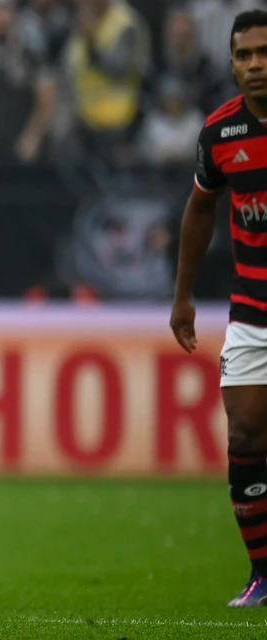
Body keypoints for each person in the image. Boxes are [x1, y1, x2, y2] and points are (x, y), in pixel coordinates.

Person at [169, 9, 267, 608]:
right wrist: (182, 294)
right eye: (245, 56)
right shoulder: (220, 134)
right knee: (248, 433)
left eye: (265, 52)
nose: (256, 65)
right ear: (231, 63)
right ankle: (262, 573)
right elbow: (200, 211)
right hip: (252, 310)